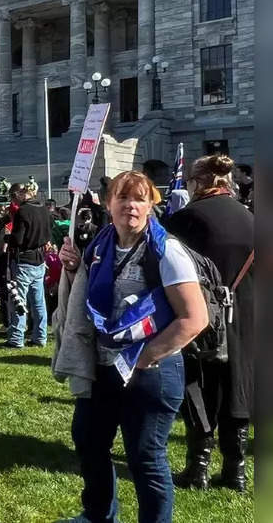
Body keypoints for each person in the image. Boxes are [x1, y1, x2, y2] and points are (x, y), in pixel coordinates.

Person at [56, 170, 209, 523]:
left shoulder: (166, 250)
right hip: (104, 366)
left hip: (152, 371)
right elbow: (97, 297)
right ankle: (98, 515)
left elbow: (194, 318)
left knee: (145, 457)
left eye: (140, 198)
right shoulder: (101, 245)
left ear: (151, 205)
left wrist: (145, 359)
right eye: (122, 197)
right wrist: (76, 268)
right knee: (89, 440)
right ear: (108, 204)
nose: (131, 206)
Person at [167, 154, 254, 492]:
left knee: (200, 390)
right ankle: (237, 471)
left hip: (202, 317)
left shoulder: (185, 220)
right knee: (238, 391)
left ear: (198, 183)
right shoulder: (252, 218)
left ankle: (197, 469)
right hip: (248, 318)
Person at [2, 183, 52, 349]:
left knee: (18, 300)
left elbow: (18, 239)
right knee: (38, 301)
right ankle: (40, 336)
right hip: (39, 259)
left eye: (13, 197)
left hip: (24, 259)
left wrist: (8, 239)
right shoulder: (44, 209)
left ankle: (16, 338)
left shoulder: (23, 211)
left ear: (17, 195)